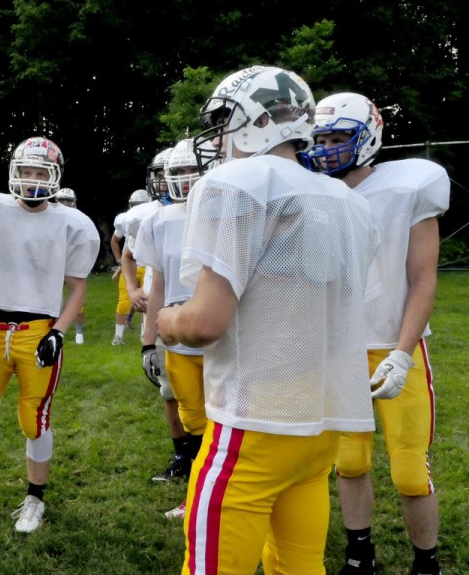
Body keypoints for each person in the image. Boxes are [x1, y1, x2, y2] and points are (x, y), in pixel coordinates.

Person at [157, 66, 380, 574]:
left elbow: (204, 324)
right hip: (316, 416)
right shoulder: (348, 202)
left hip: (254, 419)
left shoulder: (240, 181)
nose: (216, 137)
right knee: (298, 565)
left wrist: (168, 320)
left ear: (255, 120)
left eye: (223, 122)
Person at [304, 92, 450, 575]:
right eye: (319, 138)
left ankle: (426, 563)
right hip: (338, 351)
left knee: (409, 468)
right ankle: (359, 554)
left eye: (338, 137)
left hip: (393, 344)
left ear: (369, 135)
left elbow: (423, 279)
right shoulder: (314, 195)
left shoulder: (406, 188)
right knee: (348, 462)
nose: (326, 148)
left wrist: (403, 353)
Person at [0, 136, 100, 533]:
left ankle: (35, 499)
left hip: (38, 331)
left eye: (40, 172)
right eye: (26, 171)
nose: (32, 180)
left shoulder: (71, 223)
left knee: (34, 420)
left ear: (55, 177)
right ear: (14, 172)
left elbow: (78, 287)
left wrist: (60, 333)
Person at [134, 139, 207, 520]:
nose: (183, 179)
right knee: (193, 420)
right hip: (177, 340)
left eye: (190, 170)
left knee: (226, 419)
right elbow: (157, 285)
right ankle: (197, 496)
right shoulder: (158, 221)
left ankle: (216, 494)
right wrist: (148, 342)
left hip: (224, 335)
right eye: (176, 172)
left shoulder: (228, 210)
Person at [109, 188, 150, 345]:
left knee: (146, 302)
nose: (137, 208)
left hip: (148, 266)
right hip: (131, 264)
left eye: (141, 205)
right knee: (124, 301)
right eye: (135, 205)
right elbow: (115, 240)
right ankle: (118, 337)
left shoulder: (155, 216)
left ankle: (144, 335)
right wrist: (120, 262)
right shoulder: (125, 220)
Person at [56, 187, 87, 344]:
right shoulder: (50, 217)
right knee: (53, 299)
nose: (65, 204)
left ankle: (79, 331)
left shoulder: (79, 220)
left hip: (73, 262)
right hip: (55, 263)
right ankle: (53, 329)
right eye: (62, 200)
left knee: (77, 297)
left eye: (68, 200)